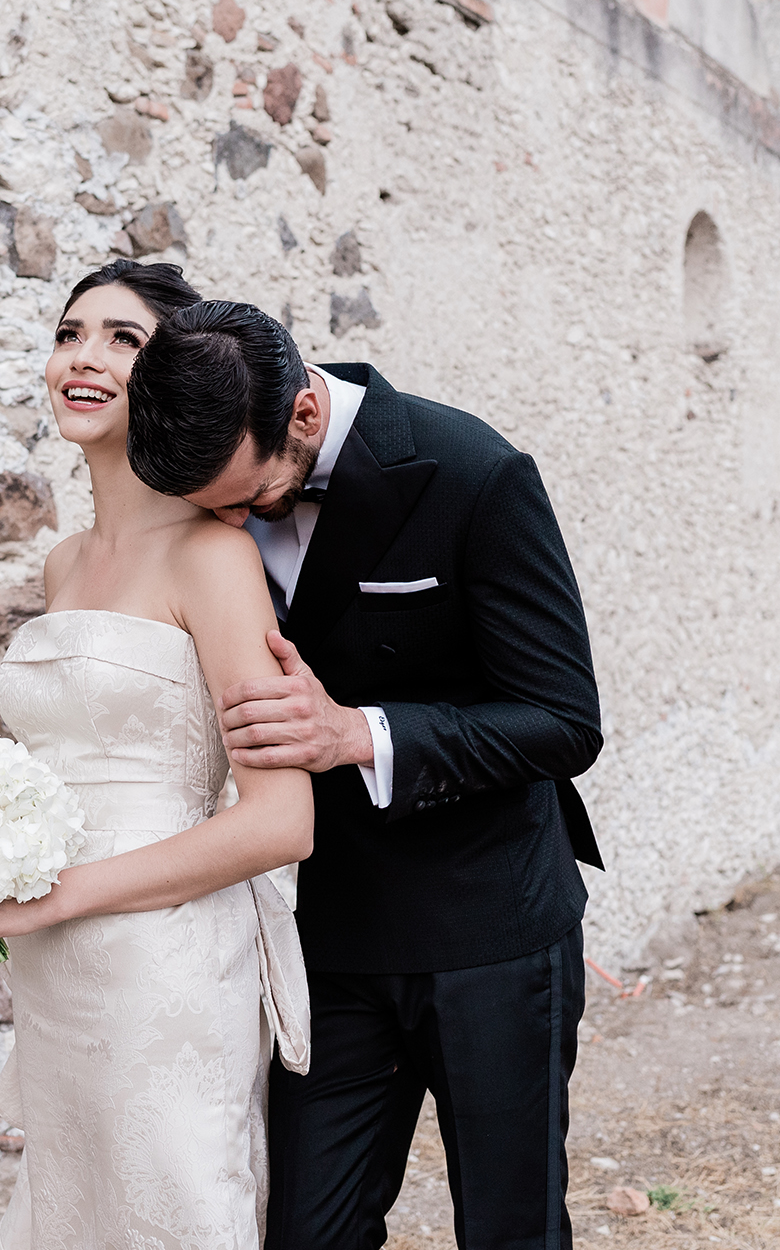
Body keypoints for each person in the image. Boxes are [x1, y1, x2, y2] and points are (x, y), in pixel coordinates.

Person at [125, 302, 605, 1249]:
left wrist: (356, 735)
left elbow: (564, 721)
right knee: (304, 1229)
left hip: (492, 930)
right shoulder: (210, 477)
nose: (227, 522)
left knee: (512, 1231)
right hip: (326, 936)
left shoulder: (475, 471)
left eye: (248, 500)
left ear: (305, 414)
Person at [0, 261, 314, 1250]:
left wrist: (60, 893)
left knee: (171, 1206)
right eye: (68, 333)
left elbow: (280, 817)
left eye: (121, 338)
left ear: (176, 376)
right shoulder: (62, 563)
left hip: (166, 959)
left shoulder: (211, 556)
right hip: (53, 962)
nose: (82, 357)